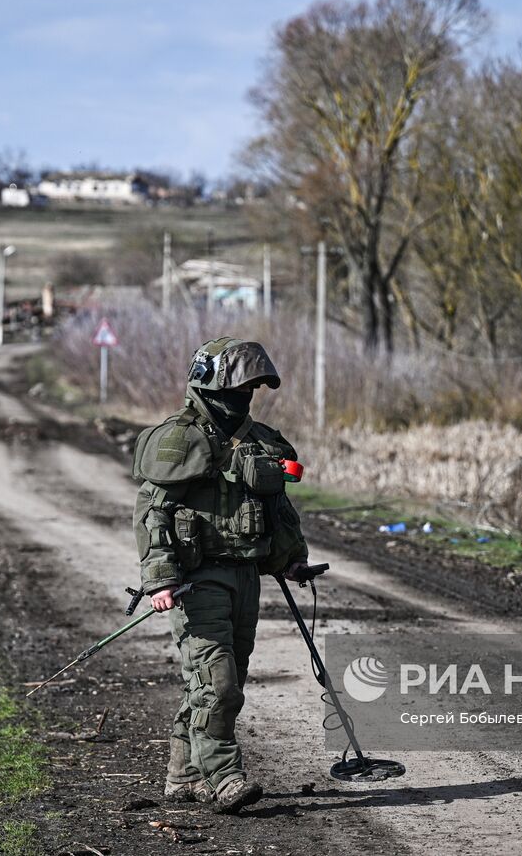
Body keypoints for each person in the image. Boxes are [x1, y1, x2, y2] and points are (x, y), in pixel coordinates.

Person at [132, 336, 310, 814]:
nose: (244, 398)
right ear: (209, 385)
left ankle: (184, 775)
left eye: (251, 390)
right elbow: (152, 514)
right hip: (196, 580)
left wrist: (292, 559)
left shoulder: (261, 441)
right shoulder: (180, 439)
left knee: (218, 682)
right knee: (219, 684)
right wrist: (161, 577)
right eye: (236, 388)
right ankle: (225, 776)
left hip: (246, 577)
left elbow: (279, 510)